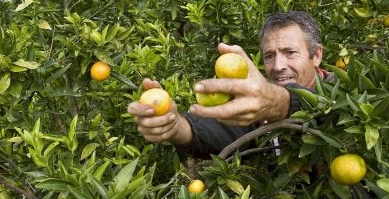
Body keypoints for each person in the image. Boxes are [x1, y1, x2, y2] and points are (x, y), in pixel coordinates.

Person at [127, 11, 332, 158]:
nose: (278, 66)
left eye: (290, 53)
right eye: (269, 56)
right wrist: (176, 126)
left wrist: (279, 102)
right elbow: (220, 131)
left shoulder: (343, 92)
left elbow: (322, 109)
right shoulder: (257, 102)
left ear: (316, 56)